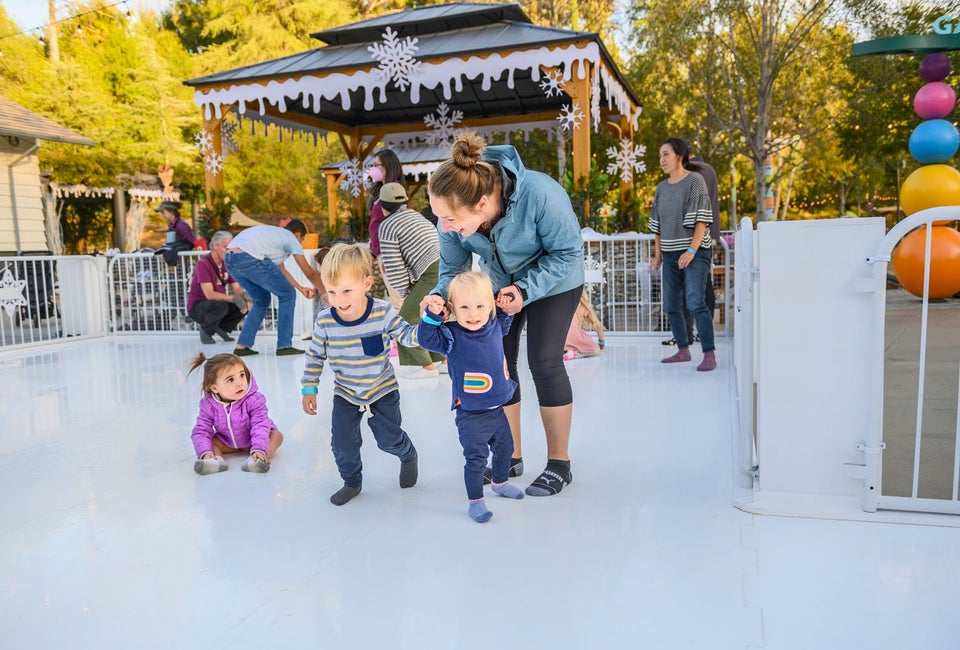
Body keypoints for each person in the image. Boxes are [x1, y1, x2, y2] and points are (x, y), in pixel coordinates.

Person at [422, 132, 584, 497]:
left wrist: (525, 290)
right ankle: (509, 455)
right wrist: (438, 298)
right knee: (498, 362)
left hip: (555, 281)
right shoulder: (451, 219)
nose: (444, 226)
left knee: (544, 361)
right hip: (497, 286)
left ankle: (559, 463)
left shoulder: (540, 194)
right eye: (439, 217)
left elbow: (568, 254)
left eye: (449, 218)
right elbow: (452, 270)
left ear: (482, 203)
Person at [300, 243, 420, 506]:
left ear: (366, 283)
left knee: (388, 439)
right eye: (332, 292)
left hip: (382, 389)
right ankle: (352, 481)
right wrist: (309, 387)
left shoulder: (382, 312)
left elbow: (407, 336)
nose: (339, 300)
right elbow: (315, 355)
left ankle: (407, 454)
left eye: (346, 291)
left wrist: (430, 326)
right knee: (342, 443)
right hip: (346, 391)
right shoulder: (325, 320)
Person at [417, 271, 524, 522]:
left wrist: (506, 304)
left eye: (480, 306)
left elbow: (507, 317)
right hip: (471, 414)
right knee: (476, 460)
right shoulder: (451, 334)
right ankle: (476, 501)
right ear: (453, 307)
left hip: (498, 409)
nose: (473, 313)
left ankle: (499, 483)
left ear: (490, 306)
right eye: (464, 307)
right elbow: (426, 339)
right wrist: (433, 316)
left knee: (506, 449)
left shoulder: (494, 325)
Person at [648, 137, 717, 371]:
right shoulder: (661, 188)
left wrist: (691, 250)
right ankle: (683, 350)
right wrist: (658, 256)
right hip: (669, 253)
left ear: (679, 155)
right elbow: (657, 226)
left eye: (665, 154)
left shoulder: (695, 181)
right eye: (660, 156)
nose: (661, 160)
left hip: (695, 251)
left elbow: (702, 220)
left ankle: (709, 353)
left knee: (696, 301)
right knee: (671, 304)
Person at [223, 219, 325, 356]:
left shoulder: (274, 237)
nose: (299, 244)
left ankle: (242, 346)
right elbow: (310, 273)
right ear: (298, 235)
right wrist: (326, 294)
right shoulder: (291, 238)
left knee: (262, 299)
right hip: (249, 257)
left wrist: (301, 288)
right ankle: (284, 345)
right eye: (301, 240)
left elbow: (282, 271)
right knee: (287, 295)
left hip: (230, 259)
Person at [377, 182, 446, 379]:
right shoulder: (415, 215)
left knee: (405, 319)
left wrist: (405, 293)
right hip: (444, 265)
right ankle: (442, 361)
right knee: (429, 315)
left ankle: (427, 367)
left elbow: (394, 266)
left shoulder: (387, 225)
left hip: (429, 271)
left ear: (382, 206)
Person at [187, 352, 284, 475]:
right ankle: (213, 461)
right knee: (211, 442)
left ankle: (258, 458)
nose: (239, 383)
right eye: (230, 380)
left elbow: (260, 425)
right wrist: (205, 451)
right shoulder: (209, 405)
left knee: (276, 435)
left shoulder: (254, 400)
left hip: (252, 440)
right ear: (214, 388)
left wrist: (259, 447)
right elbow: (202, 430)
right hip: (227, 443)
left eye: (242, 375)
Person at [664, 141, 720, 347]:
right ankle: (700, 332)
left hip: (692, 236)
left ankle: (687, 333)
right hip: (708, 234)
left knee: (689, 287)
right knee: (703, 284)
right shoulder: (709, 170)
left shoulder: (693, 173)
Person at [186, 231, 251, 345]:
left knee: (245, 303)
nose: (229, 251)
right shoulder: (203, 264)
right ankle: (206, 330)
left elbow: (236, 288)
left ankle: (221, 328)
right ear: (215, 246)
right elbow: (209, 294)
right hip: (198, 306)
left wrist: (247, 298)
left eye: (230, 248)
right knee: (221, 306)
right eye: (225, 247)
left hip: (216, 303)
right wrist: (234, 299)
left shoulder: (227, 264)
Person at [366, 148, 405, 258]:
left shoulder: (395, 190)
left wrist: (379, 252)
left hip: (386, 251)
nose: (373, 169)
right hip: (378, 249)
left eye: (376, 165)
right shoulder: (380, 189)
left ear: (387, 166)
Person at [563, 289, 606, 361]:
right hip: (574, 336)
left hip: (559, 338)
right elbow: (598, 326)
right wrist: (601, 342)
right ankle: (573, 354)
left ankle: (566, 351)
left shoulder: (560, 305)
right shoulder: (582, 306)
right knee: (596, 349)